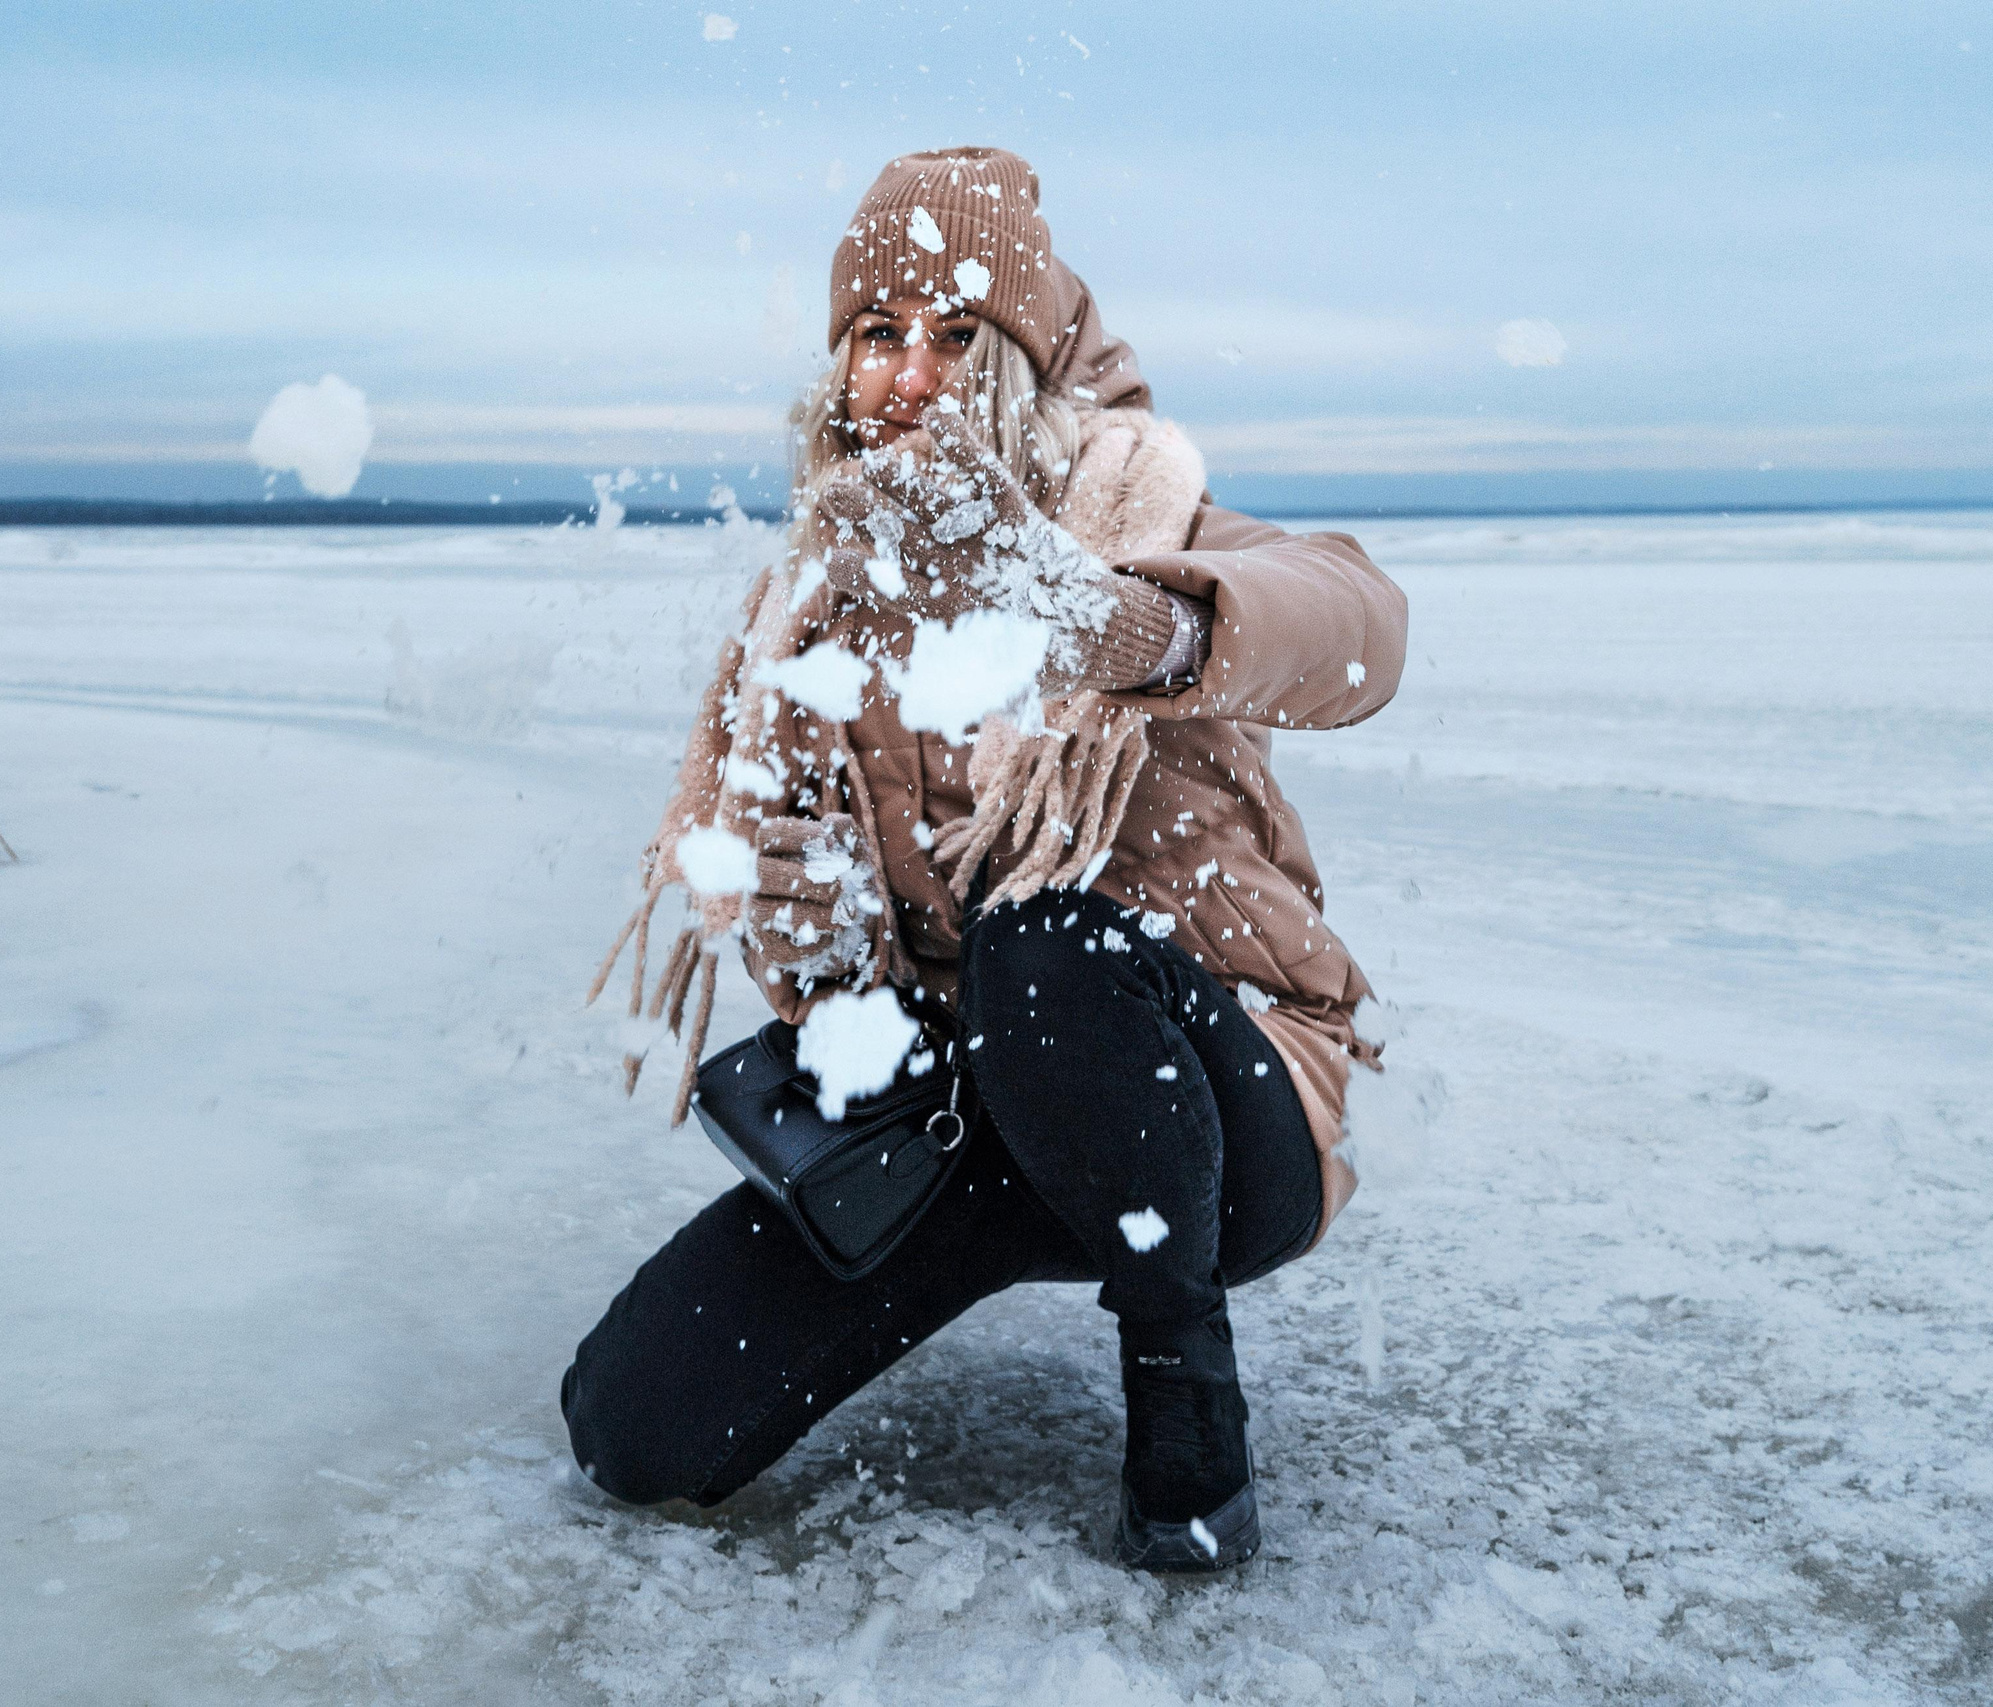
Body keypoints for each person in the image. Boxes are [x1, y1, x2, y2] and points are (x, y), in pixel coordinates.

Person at [565, 147, 1408, 1572]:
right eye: (880, 338)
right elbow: (843, 1012)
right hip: (973, 1120)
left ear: (1025, 360)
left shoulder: (1141, 518)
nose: (912, 373)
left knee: (1045, 935)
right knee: (634, 1425)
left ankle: (1182, 1394)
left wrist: (1125, 625)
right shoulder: (808, 621)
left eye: (958, 336)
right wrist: (805, 918)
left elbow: (1362, 625)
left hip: (1218, 1109)